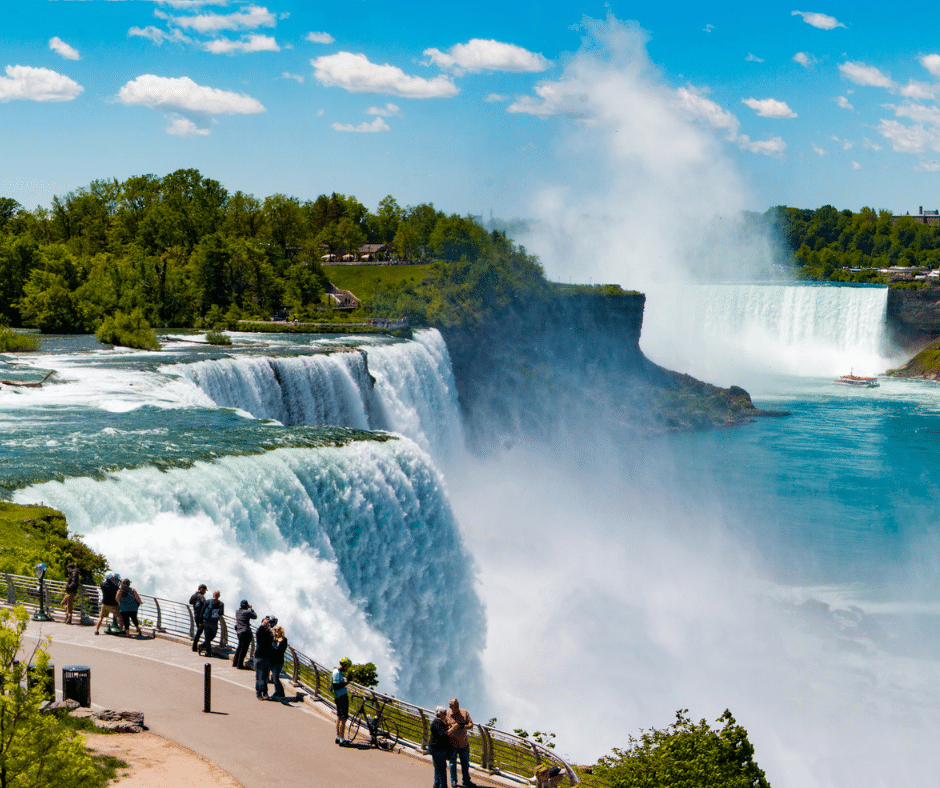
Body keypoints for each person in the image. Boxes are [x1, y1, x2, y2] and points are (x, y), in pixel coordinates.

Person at [447, 697, 475, 787]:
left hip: (463, 743)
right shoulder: (447, 714)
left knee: (465, 763)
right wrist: (453, 728)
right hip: (452, 744)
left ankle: (466, 780)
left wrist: (464, 727)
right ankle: (453, 781)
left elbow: (471, 724)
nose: (456, 709)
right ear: (450, 707)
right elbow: (444, 732)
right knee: (452, 763)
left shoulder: (464, 712)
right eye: (454, 707)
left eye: (457, 706)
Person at [429, 706, 455, 788]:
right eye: (444, 713)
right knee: (442, 769)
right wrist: (452, 729)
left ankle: (436, 784)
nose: (446, 715)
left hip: (439, 749)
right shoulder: (435, 723)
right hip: (436, 749)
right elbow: (443, 735)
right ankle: (443, 786)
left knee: (438, 768)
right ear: (440, 714)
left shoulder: (441, 722)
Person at [254, 615, 275, 699]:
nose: (267, 624)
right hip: (259, 657)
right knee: (259, 676)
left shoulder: (269, 633)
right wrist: (264, 623)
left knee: (266, 677)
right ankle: (259, 693)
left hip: (267, 657)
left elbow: (273, 640)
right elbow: (261, 629)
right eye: (265, 623)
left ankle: (265, 693)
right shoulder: (259, 632)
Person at [232, 600, 257, 669]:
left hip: (239, 632)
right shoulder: (247, 612)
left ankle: (235, 662)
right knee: (244, 649)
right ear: (246, 605)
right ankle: (240, 665)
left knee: (239, 647)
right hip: (246, 632)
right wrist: (251, 608)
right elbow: (255, 616)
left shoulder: (237, 612)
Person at [332, 656, 352, 744]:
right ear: (344, 665)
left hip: (339, 696)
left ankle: (338, 737)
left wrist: (346, 680)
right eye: (347, 666)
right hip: (341, 697)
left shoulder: (337, 671)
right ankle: (342, 739)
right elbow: (336, 685)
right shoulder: (337, 672)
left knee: (339, 717)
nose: (348, 668)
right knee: (343, 718)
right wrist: (347, 681)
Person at [199, 590, 224, 656]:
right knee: (212, 636)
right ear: (219, 596)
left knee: (208, 637)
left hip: (206, 621)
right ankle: (207, 651)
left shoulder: (208, 601)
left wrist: (200, 621)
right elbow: (221, 613)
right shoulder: (221, 604)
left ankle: (204, 646)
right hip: (213, 622)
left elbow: (202, 611)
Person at [269, 625, 288, 699]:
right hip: (273, 661)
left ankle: (280, 692)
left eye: (277, 630)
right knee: (274, 677)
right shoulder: (274, 639)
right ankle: (278, 692)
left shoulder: (284, 640)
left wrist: (274, 645)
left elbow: (280, 650)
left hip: (279, 661)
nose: (276, 631)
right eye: (275, 630)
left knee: (275, 677)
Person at [189, 584, 208, 652]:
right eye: (205, 590)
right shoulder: (201, 596)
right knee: (200, 631)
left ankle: (195, 646)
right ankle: (195, 646)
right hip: (201, 616)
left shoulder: (194, 595)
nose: (205, 592)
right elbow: (205, 604)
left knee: (199, 630)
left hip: (196, 615)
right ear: (202, 589)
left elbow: (190, 602)